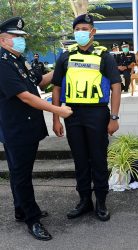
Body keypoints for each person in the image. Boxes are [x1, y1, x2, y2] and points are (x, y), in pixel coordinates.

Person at [0, 16, 73, 241]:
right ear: (3, 40)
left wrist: (61, 62)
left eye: (22, 37)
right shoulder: (2, 64)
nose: (22, 41)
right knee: (21, 176)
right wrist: (58, 111)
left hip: (26, 128)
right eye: (17, 37)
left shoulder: (18, 60)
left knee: (18, 174)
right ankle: (32, 219)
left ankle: (21, 210)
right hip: (17, 130)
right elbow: (26, 97)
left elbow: (39, 81)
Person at [51, 14, 122, 222]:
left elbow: (116, 87)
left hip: (97, 113)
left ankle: (101, 201)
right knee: (80, 159)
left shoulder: (104, 56)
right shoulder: (65, 56)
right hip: (71, 113)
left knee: (98, 159)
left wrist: (114, 117)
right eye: (77, 29)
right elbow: (56, 87)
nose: (80, 32)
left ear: (93, 32)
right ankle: (84, 201)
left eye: (85, 28)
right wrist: (56, 118)